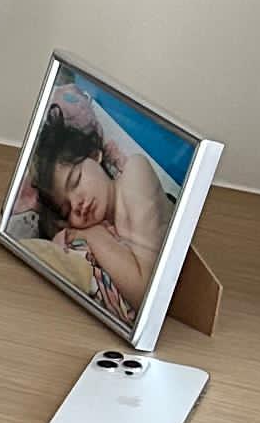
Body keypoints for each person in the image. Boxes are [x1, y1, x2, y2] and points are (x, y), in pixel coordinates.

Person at [24, 95, 172, 327]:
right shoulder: (105, 224)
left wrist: (93, 235)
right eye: (67, 208)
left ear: (95, 155)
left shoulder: (136, 173)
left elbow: (147, 295)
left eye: (76, 180)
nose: (78, 204)